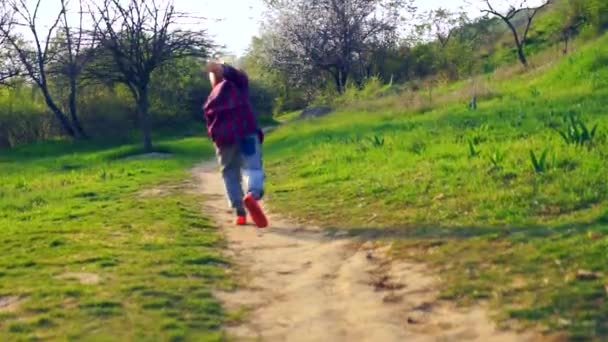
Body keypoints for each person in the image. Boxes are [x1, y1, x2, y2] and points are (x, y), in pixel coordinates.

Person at [203, 61, 268, 228]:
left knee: (229, 173)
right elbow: (237, 74)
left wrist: (215, 140)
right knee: (252, 167)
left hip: (224, 140)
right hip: (246, 133)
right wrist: (223, 68)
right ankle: (252, 195)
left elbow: (210, 123)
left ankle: (240, 213)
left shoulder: (211, 98)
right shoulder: (238, 85)